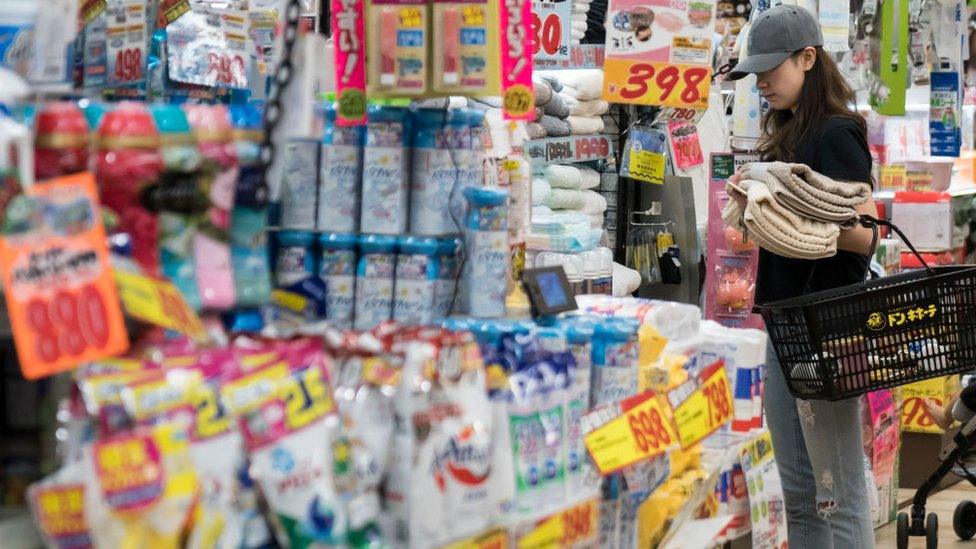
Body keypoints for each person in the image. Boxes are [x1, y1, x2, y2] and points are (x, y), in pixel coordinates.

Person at [726, 5, 878, 548]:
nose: (762, 82)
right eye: (755, 73)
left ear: (808, 58)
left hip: (830, 329)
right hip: (788, 326)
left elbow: (866, 234)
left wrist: (794, 225)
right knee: (797, 491)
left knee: (836, 494)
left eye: (772, 69)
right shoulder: (792, 132)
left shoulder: (837, 132)